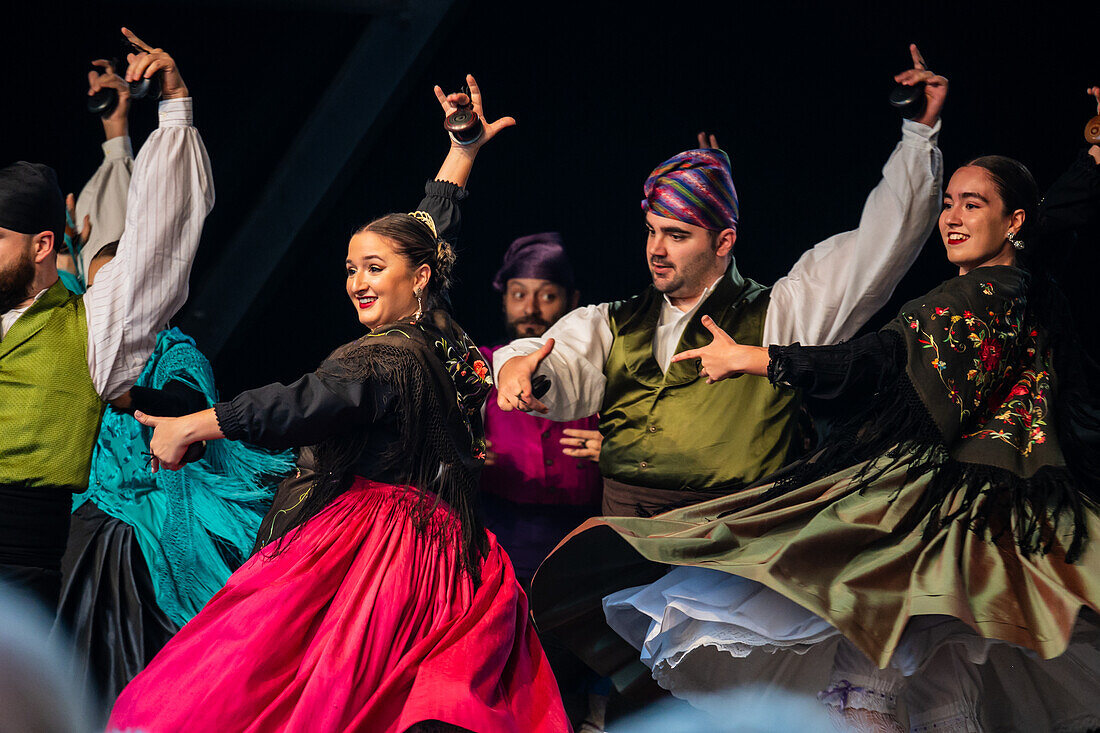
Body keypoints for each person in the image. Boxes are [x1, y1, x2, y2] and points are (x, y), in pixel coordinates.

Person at [532, 91, 1100, 731]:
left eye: (973, 205)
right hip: (953, 500)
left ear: (723, 241)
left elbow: (877, 351)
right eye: (949, 204)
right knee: (911, 655)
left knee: (894, 649)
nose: (953, 219)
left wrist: (762, 359)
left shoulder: (967, 300)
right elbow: (1049, 227)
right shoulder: (618, 319)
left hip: (954, 501)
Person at [108, 76, 570, 733]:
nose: (357, 281)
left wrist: (194, 422)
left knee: (312, 691)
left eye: (374, 268)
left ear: (420, 278)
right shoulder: (434, 337)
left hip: (379, 556)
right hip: (446, 555)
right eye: (351, 269)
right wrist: (462, 150)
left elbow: (301, 403)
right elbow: (429, 227)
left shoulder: (386, 355)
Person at [492, 45, 947, 520]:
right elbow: (555, 357)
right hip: (623, 527)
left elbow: (883, 243)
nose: (656, 249)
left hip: (730, 529)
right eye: (652, 231)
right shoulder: (613, 321)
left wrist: (918, 136)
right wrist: (517, 369)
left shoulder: (781, 313)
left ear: (723, 241)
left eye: (677, 235)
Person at [51, 61, 295, 708]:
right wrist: (115, 134)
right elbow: (87, 260)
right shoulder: (79, 335)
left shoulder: (174, 350)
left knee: (127, 606)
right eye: (97, 288)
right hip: (89, 496)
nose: (108, 299)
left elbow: (188, 402)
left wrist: (130, 399)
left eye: (118, 287)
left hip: (148, 502)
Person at [0, 27, 214, 609]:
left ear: (42, 245)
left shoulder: (90, 327)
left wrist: (172, 109)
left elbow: (155, 244)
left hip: (18, 562)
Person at [482, 231, 602, 586]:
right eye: (518, 295)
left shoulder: (601, 372)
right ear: (504, 300)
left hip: (585, 541)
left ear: (572, 300)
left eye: (547, 295)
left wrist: (620, 449)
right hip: (499, 539)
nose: (531, 309)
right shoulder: (478, 371)